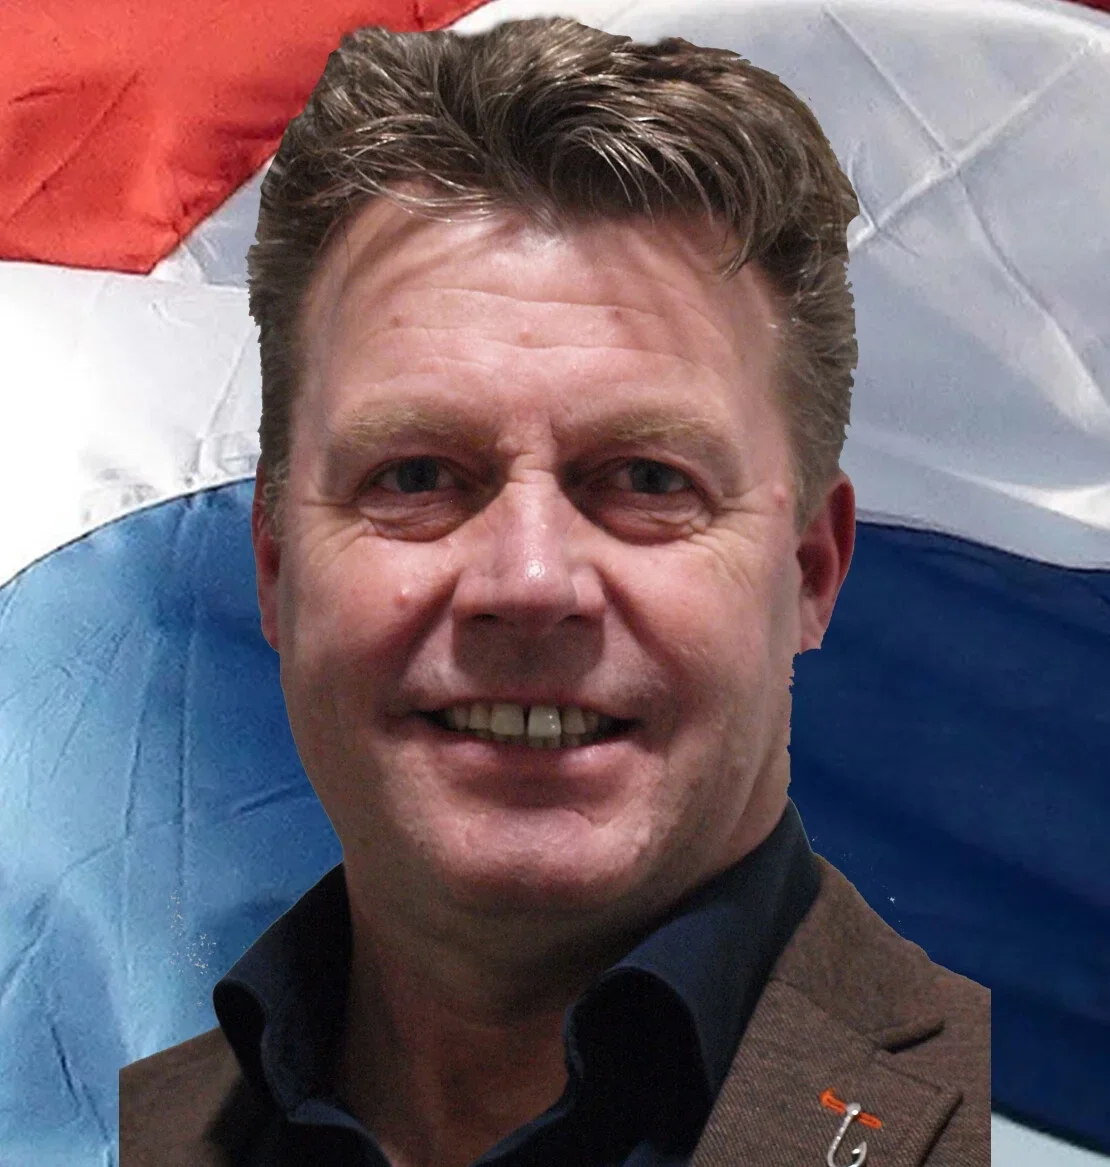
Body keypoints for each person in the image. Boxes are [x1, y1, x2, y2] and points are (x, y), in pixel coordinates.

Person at [119, 16, 989, 1166]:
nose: (530, 583)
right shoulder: (95, 1131)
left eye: (648, 480)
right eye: (416, 476)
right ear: (276, 565)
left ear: (810, 571)